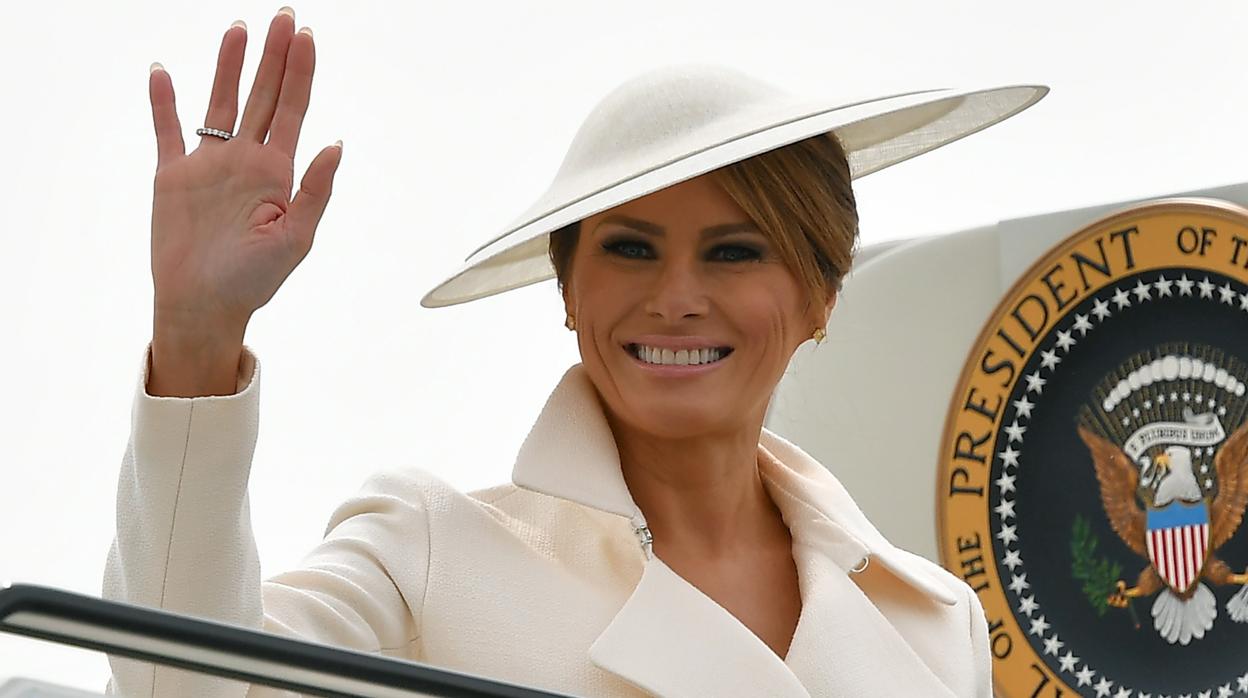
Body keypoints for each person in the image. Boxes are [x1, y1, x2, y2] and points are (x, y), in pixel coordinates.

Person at [102, 7, 1046, 697]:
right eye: (630, 249)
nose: (676, 298)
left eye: (736, 251)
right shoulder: (429, 552)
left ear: (820, 297)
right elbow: (181, 689)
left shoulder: (932, 628)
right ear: (568, 291)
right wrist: (196, 335)